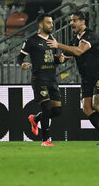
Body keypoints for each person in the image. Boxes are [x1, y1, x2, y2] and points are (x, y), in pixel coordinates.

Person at [47, 11, 99, 146]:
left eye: (74, 20)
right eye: (70, 21)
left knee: (98, 105)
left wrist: (58, 45)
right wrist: (50, 59)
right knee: (87, 108)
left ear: (83, 22)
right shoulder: (75, 39)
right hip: (86, 77)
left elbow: (79, 51)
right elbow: (64, 58)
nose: (71, 23)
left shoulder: (90, 35)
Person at [17, 13, 65, 146]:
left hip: (52, 80)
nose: (51, 25)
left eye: (51, 22)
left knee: (57, 111)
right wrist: (22, 64)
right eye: (48, 22)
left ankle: (35, 118)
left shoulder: (52, 40)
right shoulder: (31, 40)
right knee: (47, 108)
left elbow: (52, 59)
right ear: (40, 24)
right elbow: (19, 57)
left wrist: (59, 60)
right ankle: (46, 140)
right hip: (39, 80)